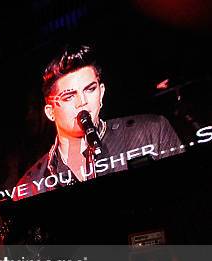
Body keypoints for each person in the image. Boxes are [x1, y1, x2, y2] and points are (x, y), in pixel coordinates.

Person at [15, 44, 184, 200]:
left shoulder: (152, 132)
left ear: (101, 93)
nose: (82, 102)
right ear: (50, 112)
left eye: (90, 89)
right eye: (68, 96)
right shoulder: (29, 186)